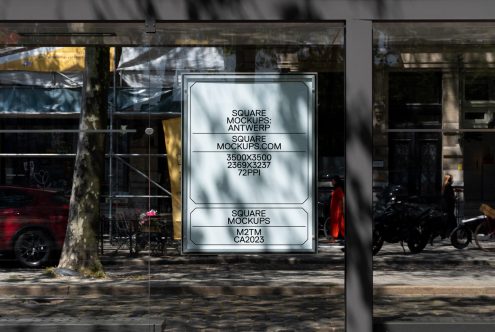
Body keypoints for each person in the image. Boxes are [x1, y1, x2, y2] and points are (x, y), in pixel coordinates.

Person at [329, 175, 345, 243]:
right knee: (338, 224)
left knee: (336, 224)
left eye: (332, 180)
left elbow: (342, 199)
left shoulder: (338, 189)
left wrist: (342, 209)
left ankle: (334, 237)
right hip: (334, 209)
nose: (332, 182)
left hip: (337, 210)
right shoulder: (337, 188)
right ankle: (337, 236)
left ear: (336, 181)